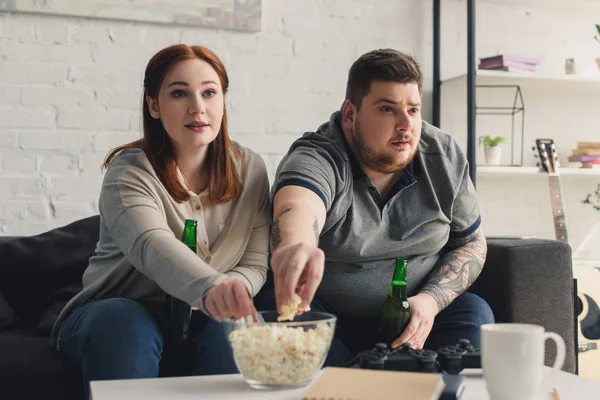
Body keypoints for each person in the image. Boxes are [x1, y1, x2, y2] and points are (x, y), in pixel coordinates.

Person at [51, 44, 270, 398]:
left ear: (223, 101)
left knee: (231, 326)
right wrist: (213, 287)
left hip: (200, 319)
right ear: (154, 105)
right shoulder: (129, 173)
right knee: (125, 324)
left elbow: (256, 262)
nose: (198, 107)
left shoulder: (251, 169)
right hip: (112, 313)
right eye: (179, 93)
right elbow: (152, 246)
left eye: (209, 93)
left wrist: (232, 293)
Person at [255, 48, 494, 366]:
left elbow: (472, 243)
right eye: (387, 109)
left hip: (418, 320)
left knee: (475, 311)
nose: (406, 124)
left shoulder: (443, 156)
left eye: (413, 109)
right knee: (280, 312)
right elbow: (299, 206)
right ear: (351, 115)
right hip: (329, 321)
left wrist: (431, 300)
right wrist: (295, 246)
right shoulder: (318, 156)